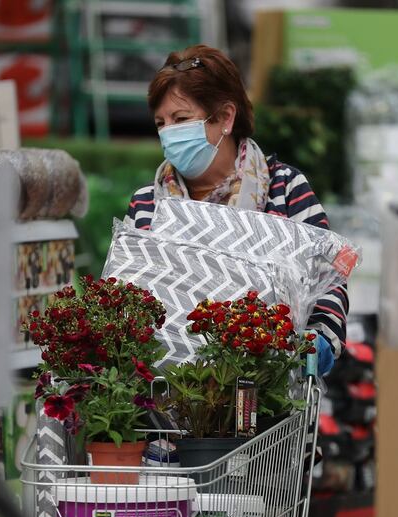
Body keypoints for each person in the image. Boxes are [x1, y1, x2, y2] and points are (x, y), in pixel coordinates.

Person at [125, 44, 348, 375]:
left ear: (226, 117)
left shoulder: (283, 188)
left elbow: (330, 279)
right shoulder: (148, 204)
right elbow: (125, 294)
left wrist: (321, 339)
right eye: (161, 123)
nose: (168, 134)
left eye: (181, 119)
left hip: (265, 397)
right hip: (166, 397)